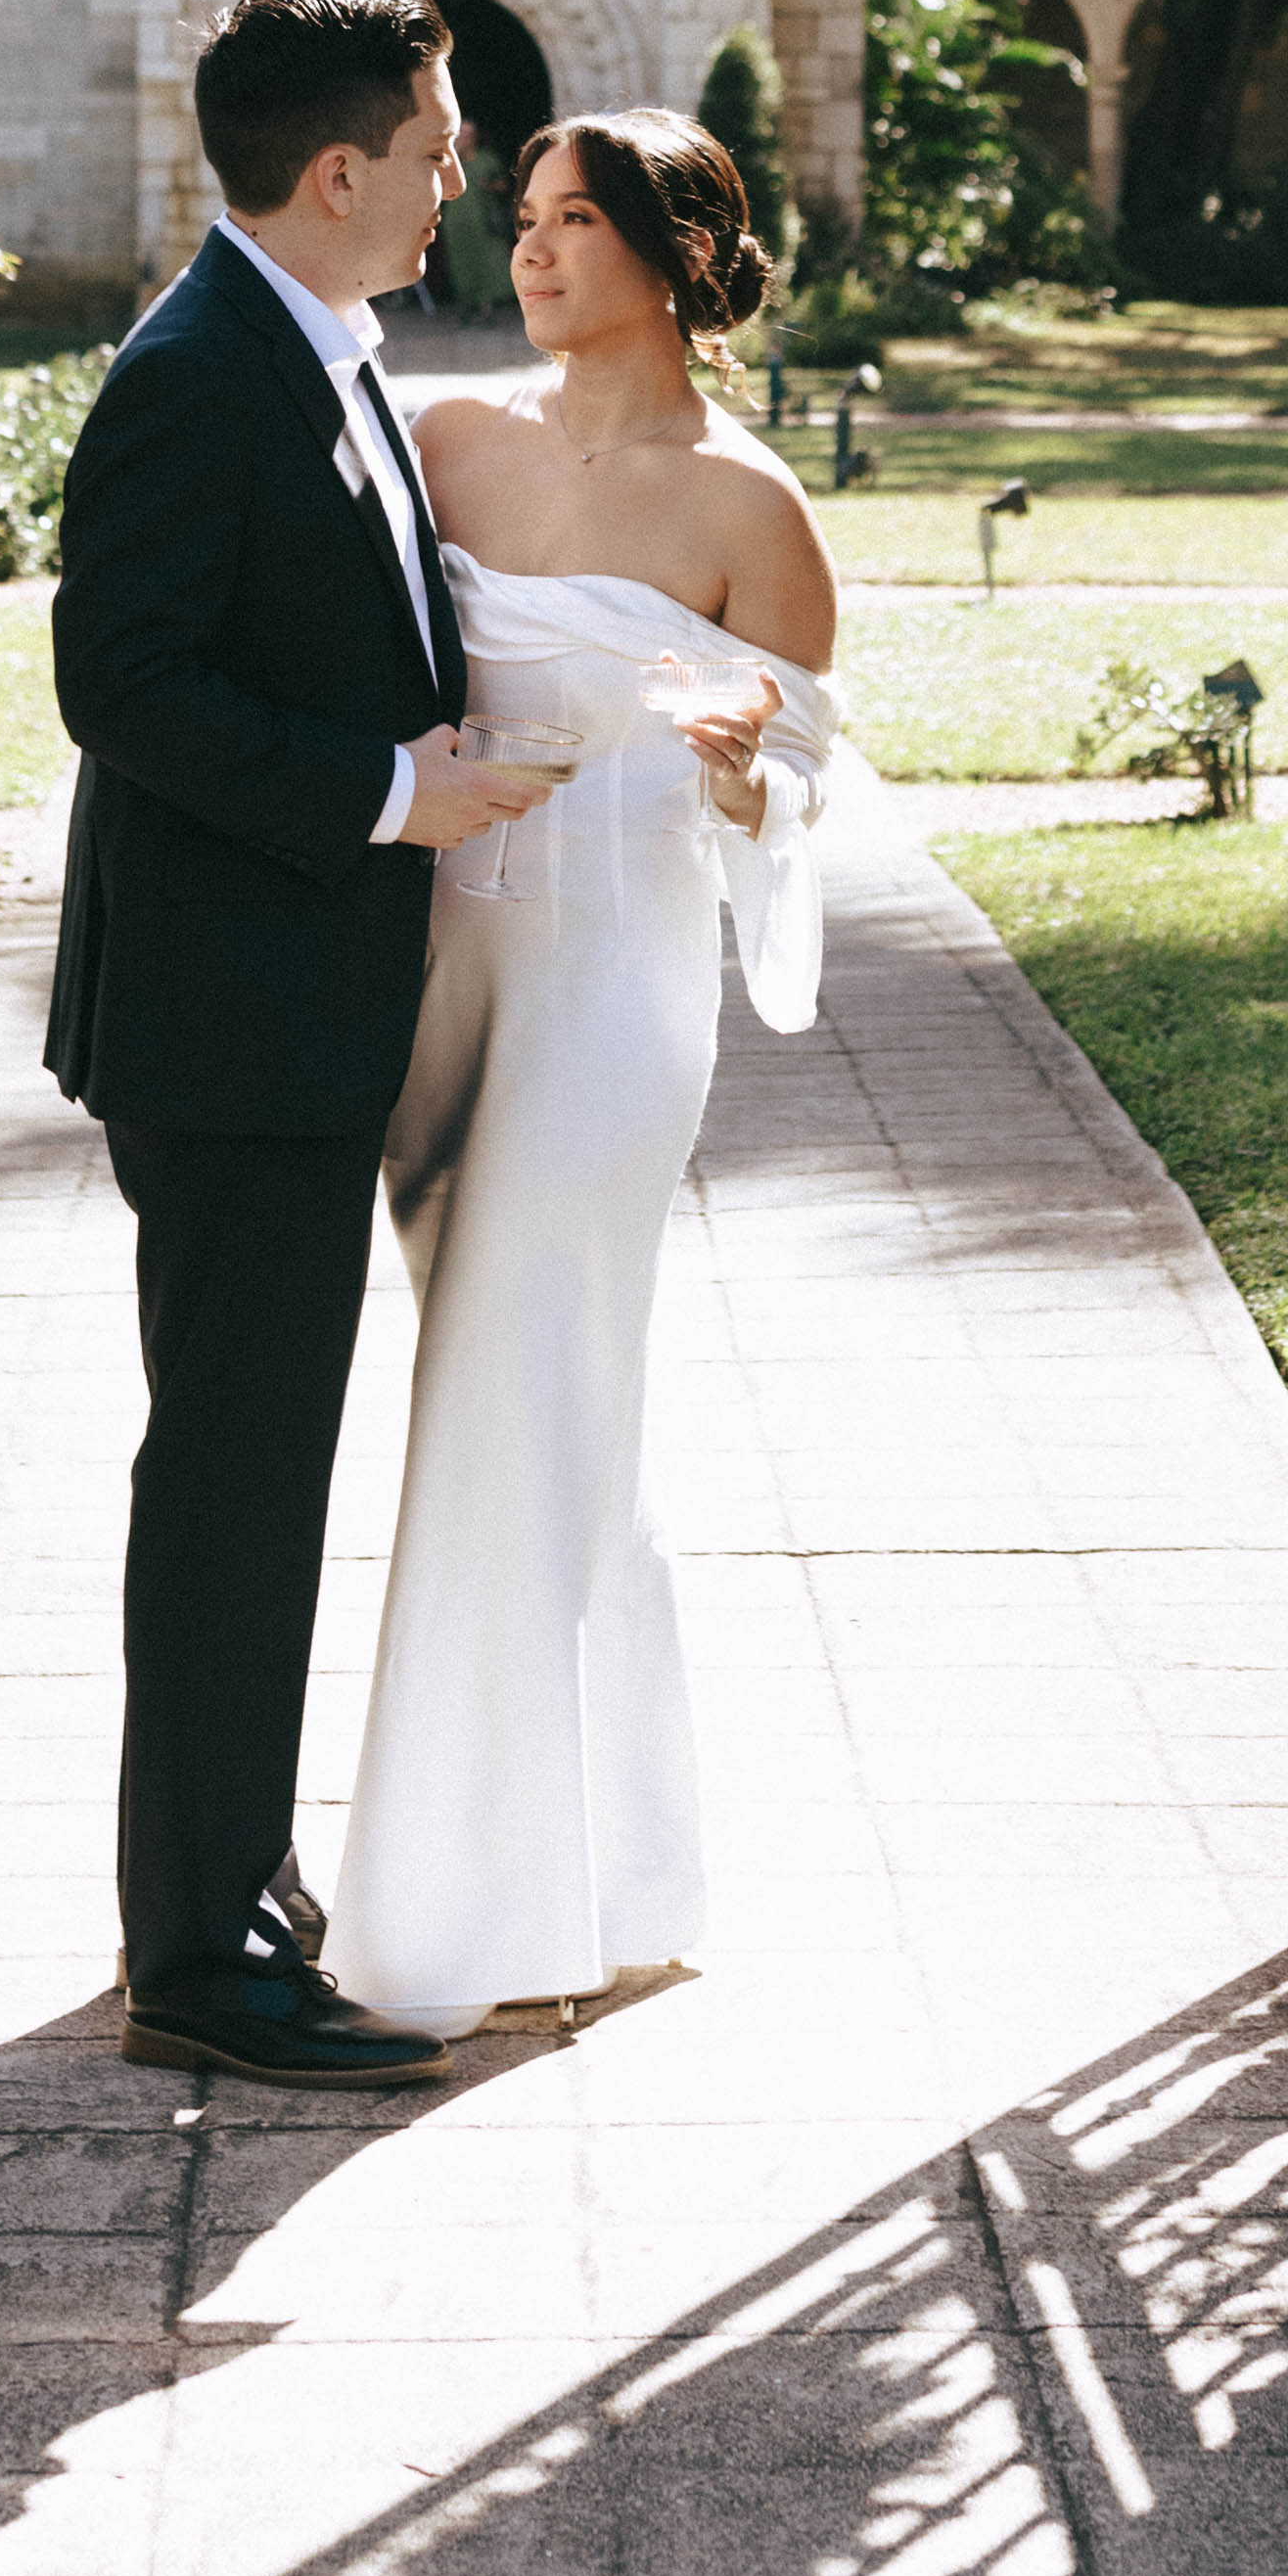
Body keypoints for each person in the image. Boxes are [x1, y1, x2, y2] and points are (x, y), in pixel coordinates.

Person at [44, 0, 554, 2087]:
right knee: (239, 1481)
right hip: (224, 1020)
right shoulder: (197, 373)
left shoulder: (315, 346)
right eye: (440, 152)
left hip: (281, 1013)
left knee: (259, 1467)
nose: (463, 183)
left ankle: (229, 1879)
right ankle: (200, 1956)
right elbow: (125, 684)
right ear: (338, 173)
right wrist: (387, 794)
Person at [333, 110, 844, 2040]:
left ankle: (458, 1908)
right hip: (440, 982)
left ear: (673, 253)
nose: (527, 252)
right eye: (523, 219)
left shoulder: (749, 513)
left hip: (620, 996)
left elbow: (797, 783)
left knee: (510, 1388)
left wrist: (741, 768)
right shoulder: (449, 443)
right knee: (532, 1412)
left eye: (571, 224)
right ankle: (605, 1867)